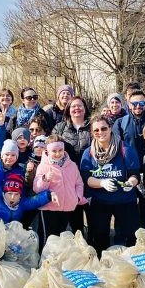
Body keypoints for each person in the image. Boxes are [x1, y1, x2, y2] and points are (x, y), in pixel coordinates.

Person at [79, 115, 141, 255]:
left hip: (125, 201)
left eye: (104, 128)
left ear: (110, 128)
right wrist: (101, 183)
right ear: (91, 133)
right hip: (99, 202)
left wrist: (130, 183)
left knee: (130, 237)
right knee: (99, 239)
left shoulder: (125, 149)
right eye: (96, 130)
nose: (100, 132)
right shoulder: (88, 153)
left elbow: (135, 174)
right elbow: (86, 179)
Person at [34, 134, 86, 250]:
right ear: (47, 151)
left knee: (60, 238)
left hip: (67, 208)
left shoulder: (72, 165)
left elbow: (79, 183)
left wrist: (77, 197)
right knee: (47, 239)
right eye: (54, 151)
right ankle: (44, 263)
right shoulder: (43, 166)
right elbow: (37, 188)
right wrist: (45, 179)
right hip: (49, 209)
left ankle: (56, 263)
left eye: (60, 150)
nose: (57, 154)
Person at [53, 96, 92, 236]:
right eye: (73, 106)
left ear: (85, 109)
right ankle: (79, 250)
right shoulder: (60, 128)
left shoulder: (93, 127)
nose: (77, 108)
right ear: (68, 110)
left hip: (90, 178)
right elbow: (52, 150)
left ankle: (95, 251)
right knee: (75, 221)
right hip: (69, 180)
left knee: (94, 219)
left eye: (80, 105)